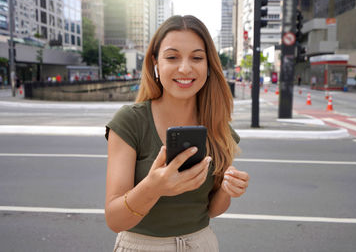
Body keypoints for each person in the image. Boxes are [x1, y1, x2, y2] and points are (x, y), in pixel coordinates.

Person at [104, 15, 249, 251]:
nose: (185, 68)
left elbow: (211, 209)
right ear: (155, 63)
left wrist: (227, 190)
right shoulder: (130, 121)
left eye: (197, 58)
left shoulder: (219, 128)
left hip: (201, 244)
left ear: (209, 65)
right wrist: (153, 188)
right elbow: (114, 220)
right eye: (172, 57)